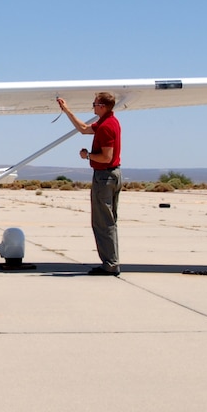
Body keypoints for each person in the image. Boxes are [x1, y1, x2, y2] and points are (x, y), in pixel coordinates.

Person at [57, 93, 122, 276]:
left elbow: (106, 157)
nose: (92, 106)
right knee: (108, 221)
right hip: (111, 175)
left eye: (94, 104)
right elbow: (84, 128)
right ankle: (111, 261)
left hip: (104, 176)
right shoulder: (109, 121)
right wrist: (67, 110)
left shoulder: (106, 126)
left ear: (101, 106)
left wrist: (88, 156)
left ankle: (110, 264)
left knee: (103, 222)